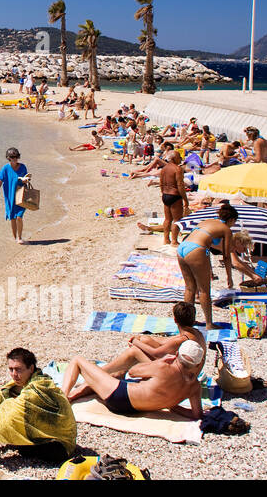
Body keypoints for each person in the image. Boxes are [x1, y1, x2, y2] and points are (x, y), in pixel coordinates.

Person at [0, 348, 76, 462]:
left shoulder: (38, 388)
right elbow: (0, 397)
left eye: (18, 369)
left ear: (31, 368)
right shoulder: (26, 381)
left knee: (16, 434)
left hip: (60, 444)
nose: (14, 374)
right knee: (11, 424)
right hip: (47, 436)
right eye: (11, 369)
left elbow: (8, 418)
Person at [61, 340, 204, 421]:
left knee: (77, 361)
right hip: (135, 409)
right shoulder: (195, 387)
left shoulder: (164, 367)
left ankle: (62, 397)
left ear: (177, 354)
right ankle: (74, 395)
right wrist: (173, 407)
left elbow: (133, 372)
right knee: (115, 377)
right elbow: (197, 415)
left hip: (119, 397)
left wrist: (158, 362)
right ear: (197, 364)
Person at [175, 202, 240, 330]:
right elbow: (227, 256)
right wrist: (229, 277)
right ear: (231, 219)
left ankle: (188, 322)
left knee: (189, 288)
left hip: (182, 247)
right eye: (234, 222)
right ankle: (209, 324)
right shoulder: (226, 229)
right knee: (204, 290)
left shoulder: (208, 221)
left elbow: (207, 246)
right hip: (196, 249)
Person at [0, 147, 29, 244]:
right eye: (13, 157)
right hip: (9, 196)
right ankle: (15, 238)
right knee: (12, 217)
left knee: (19, 216)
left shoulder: (23, 167)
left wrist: (26, 180)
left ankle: (20, 237)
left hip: (21, 195)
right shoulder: (5, 168)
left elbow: (27, 178)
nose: (15, 159)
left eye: (16, 156)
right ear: (9, 158)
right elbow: (0, 180)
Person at [158, 151, 186, 245]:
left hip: (165, 195)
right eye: (179, 157)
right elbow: (180, 186)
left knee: (167, 219)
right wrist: (185, 199)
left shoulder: (164, 169)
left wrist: (164, 193)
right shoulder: (177, 169)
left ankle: (166, 239)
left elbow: (161, 184)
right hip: (175, 195)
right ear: (174, 159)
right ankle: (174, 241)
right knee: (177, 220)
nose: (181, 159)